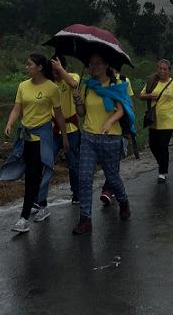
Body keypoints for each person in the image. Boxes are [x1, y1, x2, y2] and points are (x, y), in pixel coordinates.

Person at [1, 54, 67, 233]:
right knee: (31, 174)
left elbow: (58, 114)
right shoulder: (23, 85)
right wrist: (9, 124)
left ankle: (23, 218)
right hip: (25, 138)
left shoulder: (52, 88)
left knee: (32, 176)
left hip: (42, 139)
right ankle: (43, 205)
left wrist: (64, 136)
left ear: (39, 67)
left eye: (29, 64)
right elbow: (17, 108)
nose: (26, 67)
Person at [72, 54, 133, 234]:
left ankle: (123, 201)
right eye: (91, 64)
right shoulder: (87, 86)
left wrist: (109, 122)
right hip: (89, 136)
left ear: (107, 65)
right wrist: (78, 101)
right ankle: (85, 218)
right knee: (84, 178)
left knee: (112, 177)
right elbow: (82, 113)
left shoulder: (116, 85)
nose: (93, 67)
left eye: (98, 63)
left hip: (111, 137)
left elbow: (121, 110)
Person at [34, 55, 81, 209]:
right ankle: (40, 198)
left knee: (73, 163)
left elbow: (74, 84)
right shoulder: (48, 83)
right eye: (52, 71)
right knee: (46, 163)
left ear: (64, 68)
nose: (55, 74)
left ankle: (77, 193)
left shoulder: (72, 77)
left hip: (71, 129)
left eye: (57, 71)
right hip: (53, 130)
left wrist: (60, 69)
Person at [141, 59, 173, 183]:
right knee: (153, 146)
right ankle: (162, 163)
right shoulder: (152, 81)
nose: (162, 71)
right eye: (160, 68)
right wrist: (149, 96)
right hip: (154, 121)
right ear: (157, 69)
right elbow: (141, 95)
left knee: (163, 146)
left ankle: (162, 172)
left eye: (164, 69)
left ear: (169, 71)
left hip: (168, 121)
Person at [99, 68, 136, 207]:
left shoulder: (124, 80)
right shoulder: (100, 81)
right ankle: (112, 188)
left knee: (115, 160)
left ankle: (107, 190)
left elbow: (129, 103)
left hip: (121, 126)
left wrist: (130, 125)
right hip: (103, 126)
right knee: (108, 161)